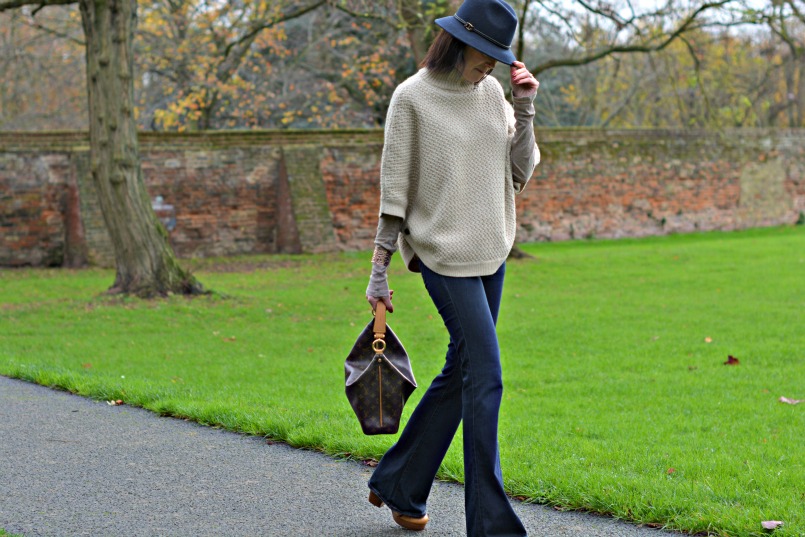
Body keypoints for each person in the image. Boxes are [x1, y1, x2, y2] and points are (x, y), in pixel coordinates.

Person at [364, 0, 540, 534]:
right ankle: (491, 525)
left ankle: (399, 483)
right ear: (457, 42)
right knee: (486, 375)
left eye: (498, 54)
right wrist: (379, 270)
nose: (491, 63)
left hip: (493, 251)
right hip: (442, 255)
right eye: (484, 53)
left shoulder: (492, 93)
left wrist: (525, 107)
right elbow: (394, 193)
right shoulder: (411, 98)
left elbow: (519, 172)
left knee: (461, 368)